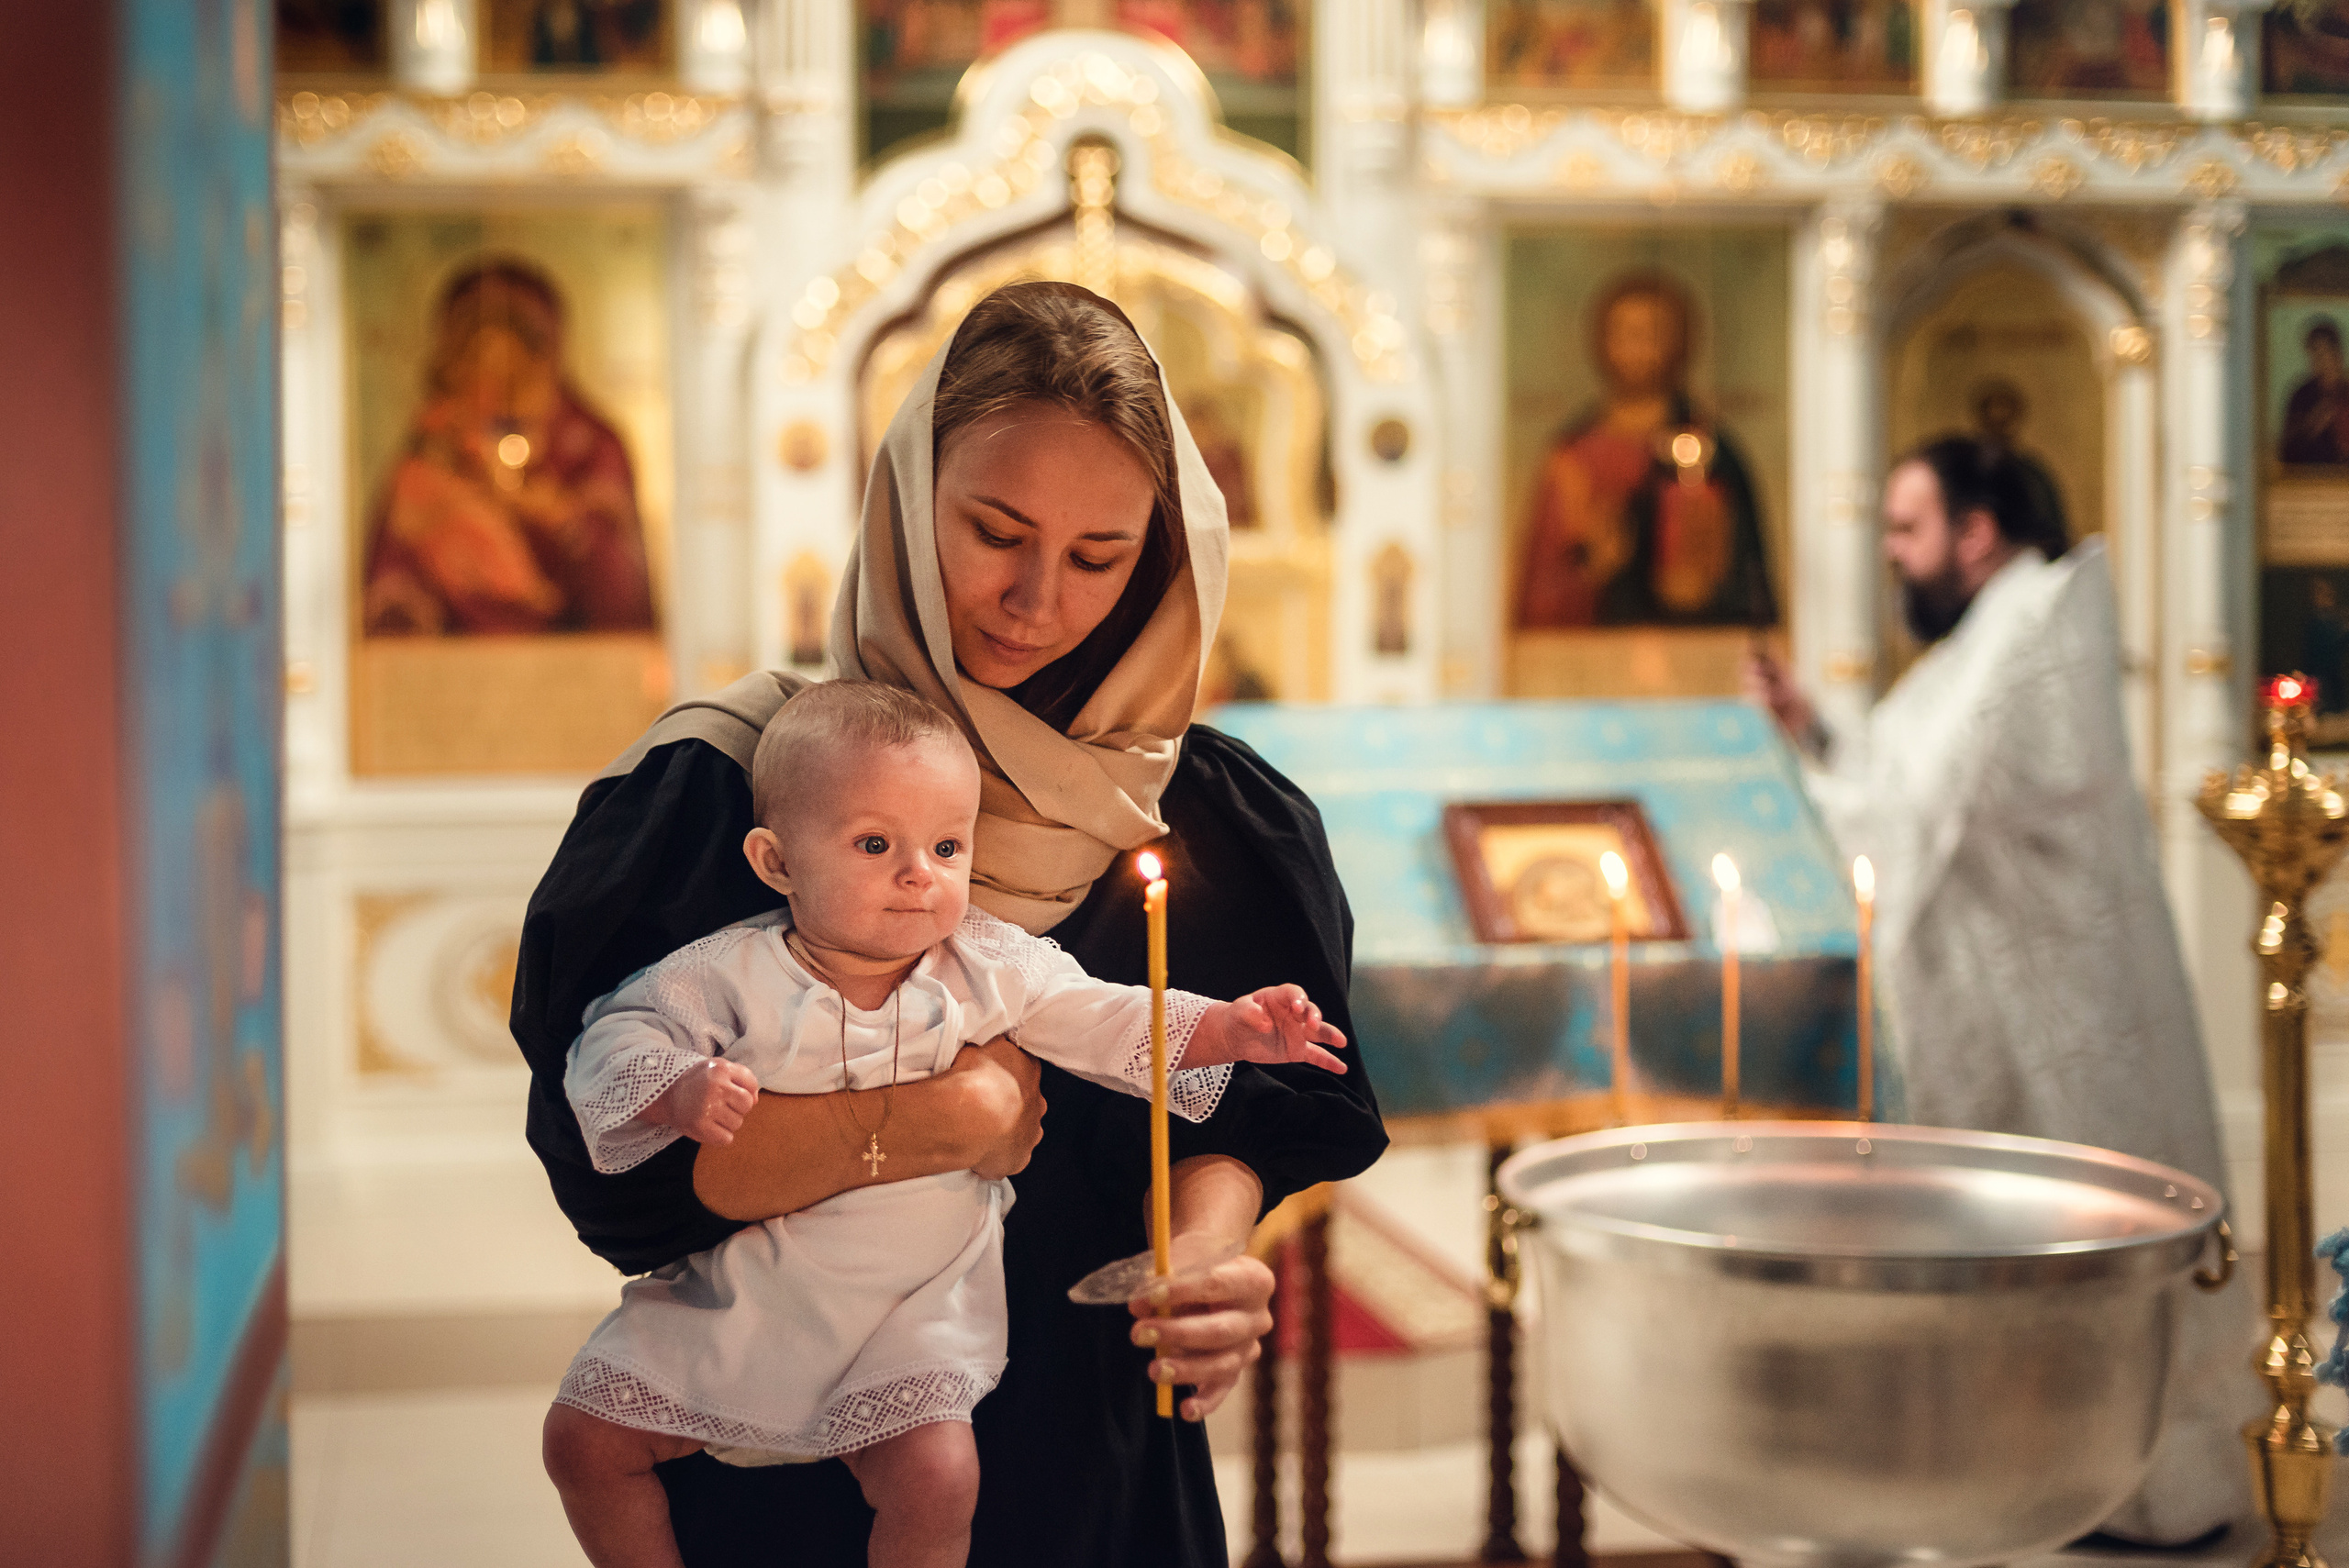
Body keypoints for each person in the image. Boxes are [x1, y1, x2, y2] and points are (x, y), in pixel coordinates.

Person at [510, 281, 1388, 1567]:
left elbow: (1233, 1113)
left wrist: (1208, 1260)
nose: (1039, 598)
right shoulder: (732, 786)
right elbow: (612, 1169)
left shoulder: (1208, 814)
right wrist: (934, 1122)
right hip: (788, 1450)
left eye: (1101, 558)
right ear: (910, 503)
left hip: (1095, 1451)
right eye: (995, 530)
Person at [541, 681, 1348, 1568]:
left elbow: (1105, 1016)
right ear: (776, 861)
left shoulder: (984, 964)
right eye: (875, 843)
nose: (919, 872)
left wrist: (1232, 1028)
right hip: (760, 1289)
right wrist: (677, 1086)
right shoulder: (726, 970)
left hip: (915, 1309)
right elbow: (614, 1034)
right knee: (582, 1440)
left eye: (948, 845)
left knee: (937, 1473)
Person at [1744, 436, 2243, 1547]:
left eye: (1907, 531)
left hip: (2062, 1014)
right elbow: (1900, 775)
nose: (1892, 556)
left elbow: (1910, 823)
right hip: (2026, 1000)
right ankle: (2052, 1473)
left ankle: (2125, 1481)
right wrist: (1812, 735)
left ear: (1975, 532)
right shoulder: (1995, 630)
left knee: (2075, 1246)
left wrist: (1770, 790)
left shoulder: (2027, 631)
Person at [361, 259, 656, 637]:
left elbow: (620, 602)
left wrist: (563, 520)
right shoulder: (436, 448)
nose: (493, 388)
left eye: (511, 368)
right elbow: (392, 581)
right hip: (459, 673)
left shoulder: (590, 447)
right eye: (475, 363)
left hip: (574, 670)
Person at [1514, 271, 1776, 630]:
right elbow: (1540, 590)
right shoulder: (1572, 458)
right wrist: (1592, 570)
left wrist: (1705, 588)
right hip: (1597, 658)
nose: (1637, 347)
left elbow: (1749, 584)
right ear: (1601, 341)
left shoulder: (1714, 453)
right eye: (1624, 333)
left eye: (1652, 333)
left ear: (1681, 343)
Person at [2281, 316, 2349, 466]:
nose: (2318, 361)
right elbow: (2286, 453)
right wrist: (2311, 425)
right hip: (2311, 482)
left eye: (2323, 353)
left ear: (2337, 354)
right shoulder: (2302, 396)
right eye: (2314, 355)